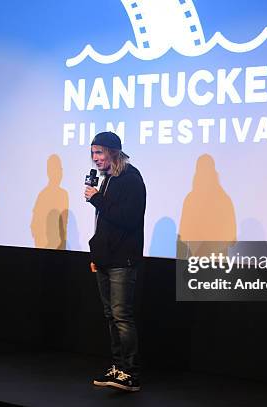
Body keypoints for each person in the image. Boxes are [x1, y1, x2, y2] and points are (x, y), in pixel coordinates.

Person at [84, 131, 146, 392]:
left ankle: (130, 373)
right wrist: (95, 253)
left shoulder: (131, 178)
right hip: (105, 257)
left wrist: (96, 198)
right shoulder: (107, 179)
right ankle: (118, 367)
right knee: (111, 316)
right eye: (93, 153)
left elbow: (129, 218)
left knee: (122, 316)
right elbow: (105, 222)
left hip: (123, 258)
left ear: (113, 152)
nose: (95, 158)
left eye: (99, 152)